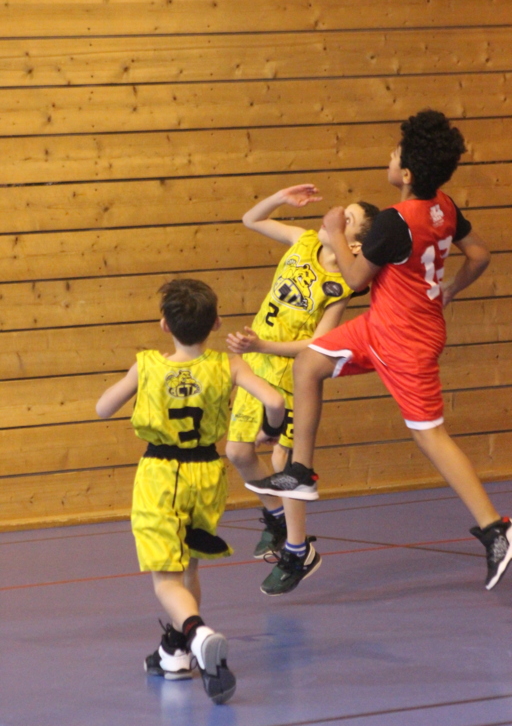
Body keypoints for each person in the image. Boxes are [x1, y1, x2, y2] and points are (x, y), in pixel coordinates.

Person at [246, 109, 512, 596]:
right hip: (381, 326)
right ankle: (300, 472)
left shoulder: (393, 223)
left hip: (405, 342)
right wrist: (450, 289)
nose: (389, 157)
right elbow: (480, 255)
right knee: (308, 364)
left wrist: (333, 228)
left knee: (431, 437)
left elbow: (352, 278)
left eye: (394, 154)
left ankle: (496, 529)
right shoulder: (445, 207)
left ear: (406, 173)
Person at [96, 278, 285, 704]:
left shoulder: (147, 365)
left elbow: (102, 408)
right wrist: (269, 432)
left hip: (160, 475)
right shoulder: (229, 366)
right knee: (189, 568)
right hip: (207, 474)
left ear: (164, 325)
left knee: (165, 579)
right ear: (216, 323)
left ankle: (197, 635)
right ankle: (177, 653)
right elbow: (275, 402)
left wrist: (136, 384)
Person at [225, 185, 379, 564]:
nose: (334, 216)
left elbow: (316, 345)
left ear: (354, 245)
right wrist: (280, 197)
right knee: (238, 452)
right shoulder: (304, 241)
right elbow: (251, 219)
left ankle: (298, 545)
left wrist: (263, 346)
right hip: (258, 361)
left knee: (284, 462)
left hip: (292, 371)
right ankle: (276, 517)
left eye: (347, 219)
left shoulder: (340, 287)